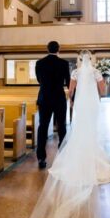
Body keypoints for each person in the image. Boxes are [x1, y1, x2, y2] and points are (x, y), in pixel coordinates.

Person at [22, 49, 110, 218]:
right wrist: (99, 87)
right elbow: (103, 90)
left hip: (70, 103)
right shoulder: (95, 71)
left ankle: (48, 156)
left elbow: (71, 90)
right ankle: (90, 154)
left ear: (79, 59)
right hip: (92, 104)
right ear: (91, 59)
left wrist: (72, 102)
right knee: (87, 130)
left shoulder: (73, 71)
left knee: (54, 128)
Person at [32, 41, 70, 169]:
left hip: (44, 98)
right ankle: (63, 154)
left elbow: (39, 80)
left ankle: (41, 158)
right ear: (59, 49)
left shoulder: (39, 63)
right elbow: (68, 82)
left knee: (43, 127)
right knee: (62, 126)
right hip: (59, 97)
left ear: (47, 49)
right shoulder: (64, 63)